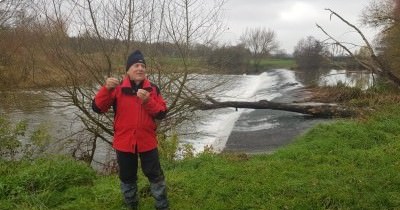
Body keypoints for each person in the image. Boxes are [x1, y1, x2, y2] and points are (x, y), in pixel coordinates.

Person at [92, 50, 169, 210]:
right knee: (127, 178)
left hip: (147, 141)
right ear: (127, 70)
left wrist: (147, 101)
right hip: (124, 142)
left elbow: (162, 113)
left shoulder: (153, 89)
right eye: (136, 65)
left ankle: (162, 206)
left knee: (155, 176)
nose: (140, 68)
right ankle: (131, 206)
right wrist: (106, 89)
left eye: (142, 66)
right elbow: (97, 108)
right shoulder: (117, 88)